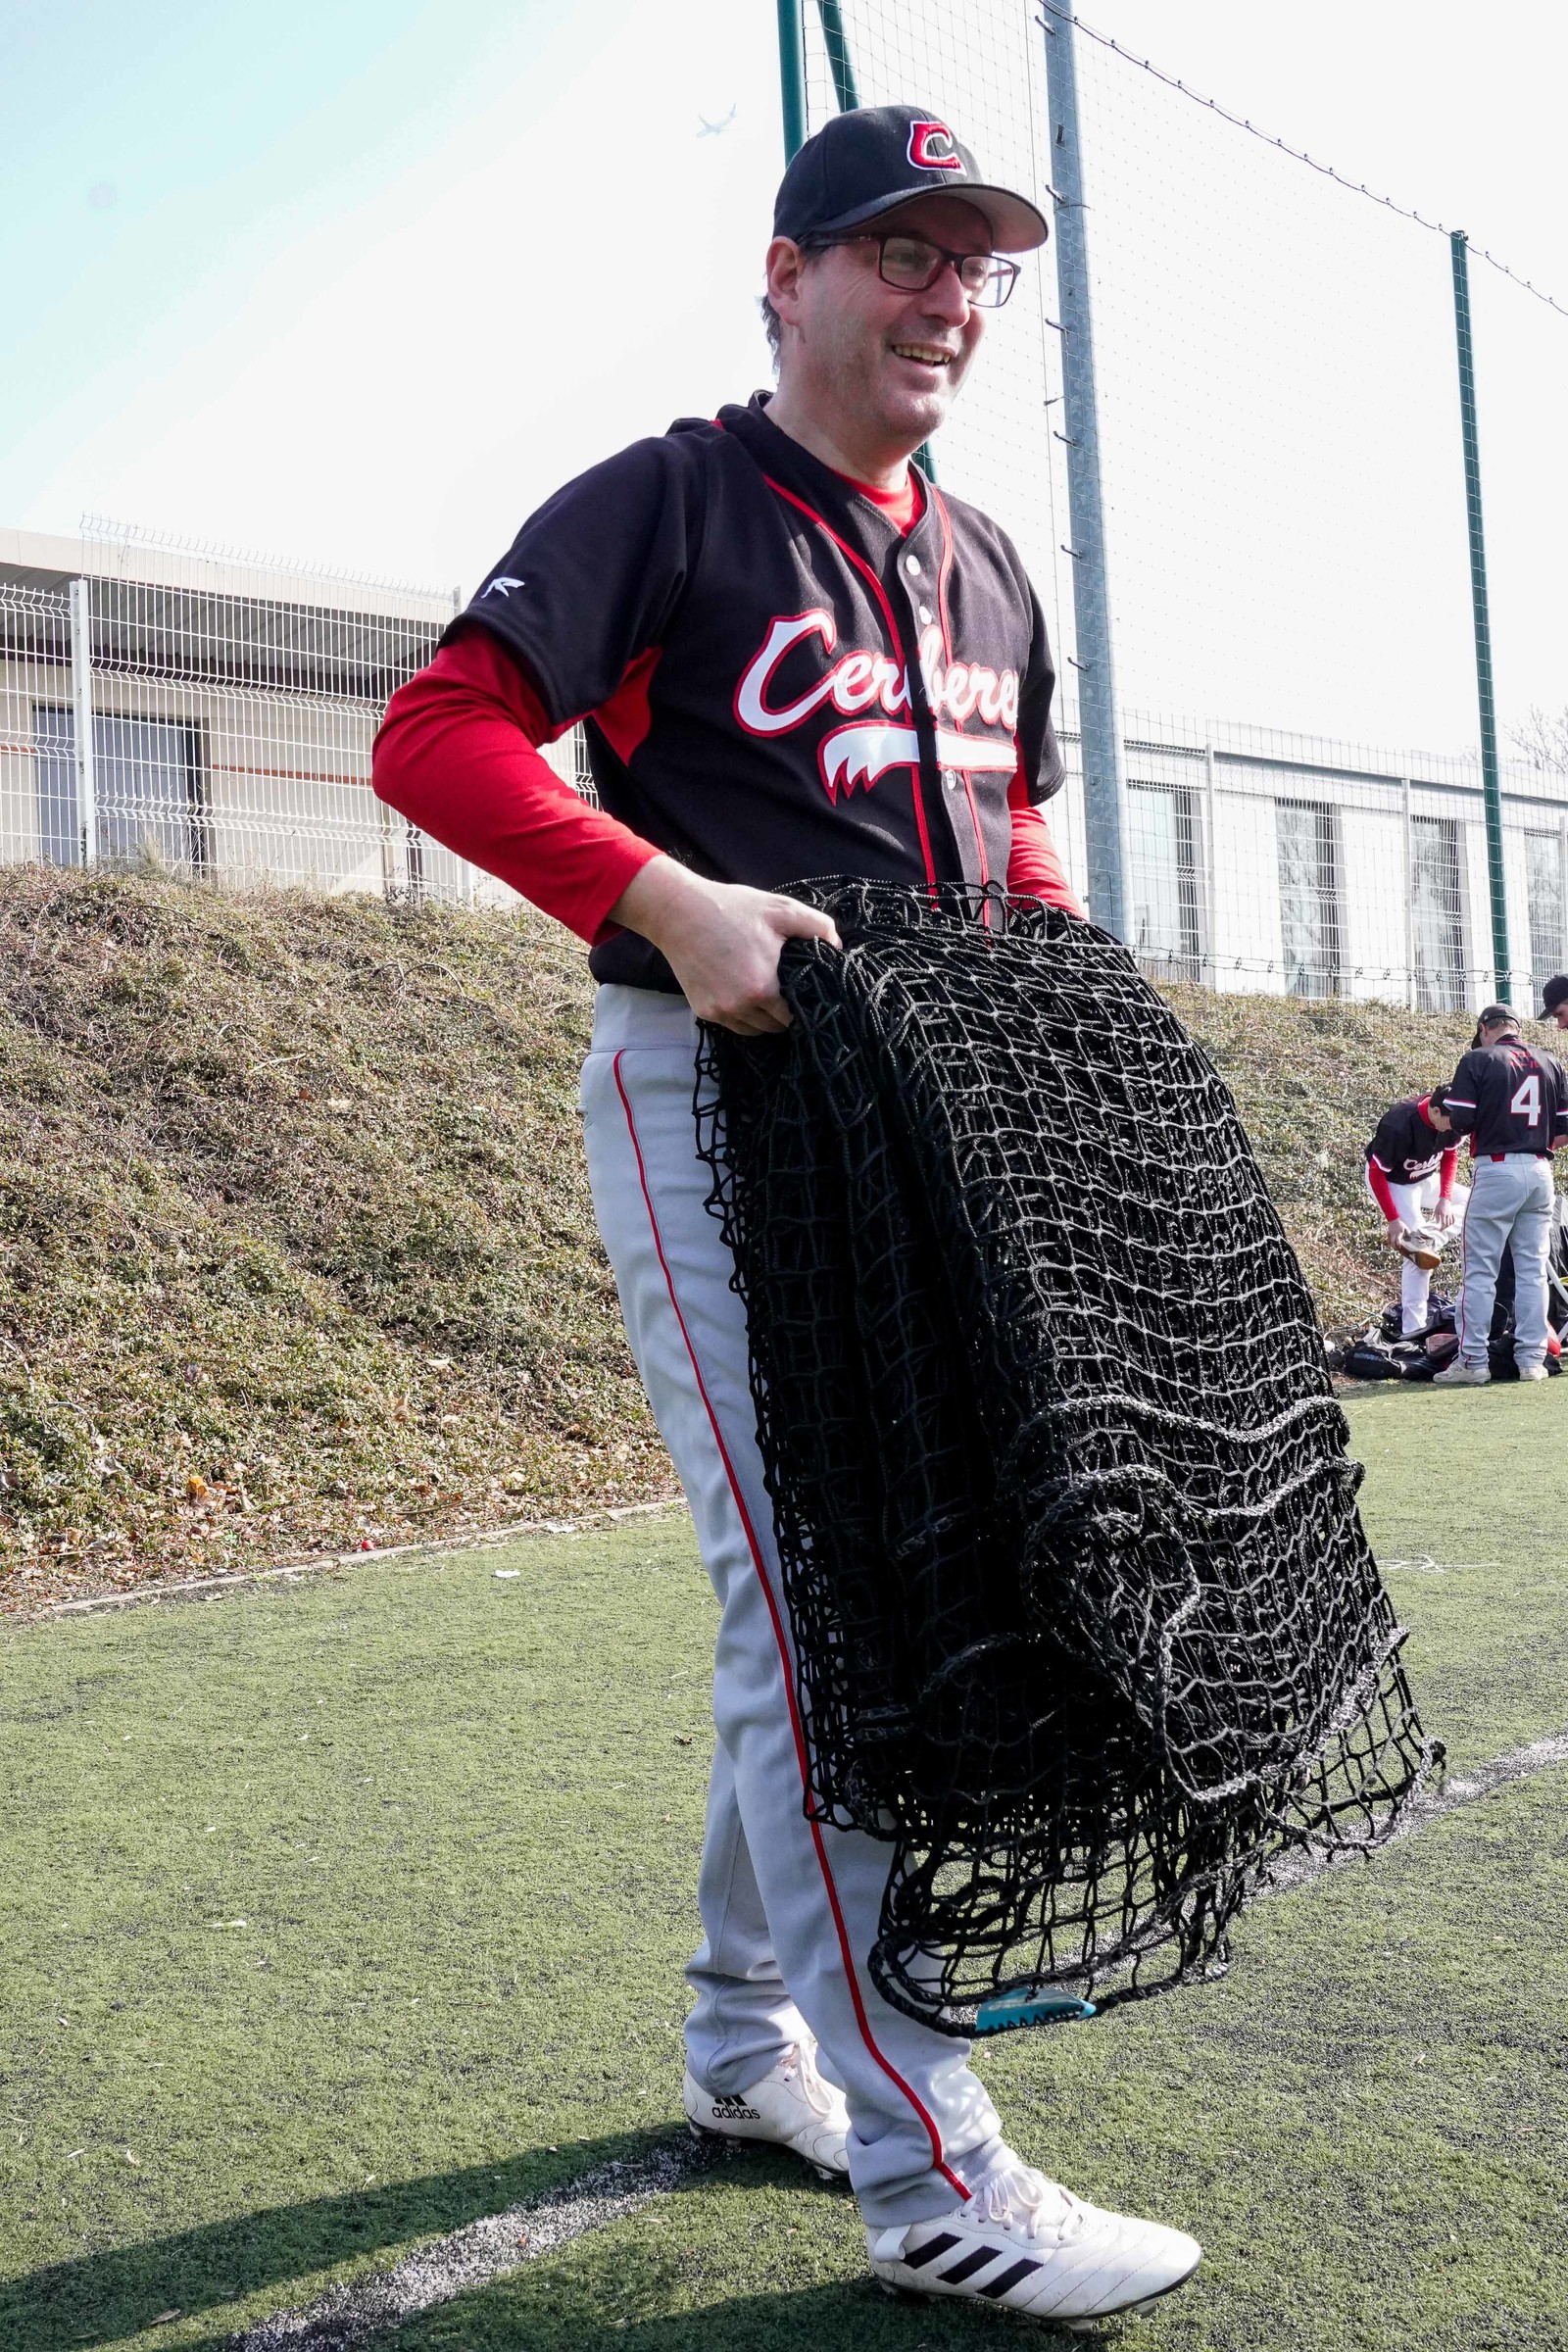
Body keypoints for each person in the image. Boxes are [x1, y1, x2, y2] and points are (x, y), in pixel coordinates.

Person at [372, 102, 1200, 2329]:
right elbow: (440, 732)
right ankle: (932, 2164)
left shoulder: (992, 559)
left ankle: (750, 2041)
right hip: (706, 1094)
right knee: (828, 1602)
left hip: (918, 1129)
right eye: (894, 252)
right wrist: (653, 893)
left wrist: (1058, 1018)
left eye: (970, 265)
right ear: (787, 273)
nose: (938, 295)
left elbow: (1011, 837)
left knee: (843, 1596)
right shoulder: (668, 499)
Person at [1433, 1004, 1568, 1385]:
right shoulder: (1550, 1060)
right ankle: (1531, 1360)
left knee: (1480, 1271)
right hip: (1541, 1168)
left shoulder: (1478, 1058)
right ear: (1517, 1029)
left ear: (1484, 1029)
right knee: (1531, 1271)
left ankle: (1473, 1362)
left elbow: (1459, 1119)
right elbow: (1564, 1125)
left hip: (1496, 1166)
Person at [1363, 1087, 1462, 1335]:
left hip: (1425, 1177)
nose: (1454, 1127)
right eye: (1449, 1123)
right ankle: (1413, 1329)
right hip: (1393, 1183)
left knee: (1478, 1202)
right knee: (1418, 1260)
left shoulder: (1454, 1116)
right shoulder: (1399, 1123)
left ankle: (1423, 1239)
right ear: (1435, 1110)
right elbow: (1376, 1173)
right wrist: (1393, 1219)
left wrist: (1445, 1198)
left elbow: (1451, 1156)